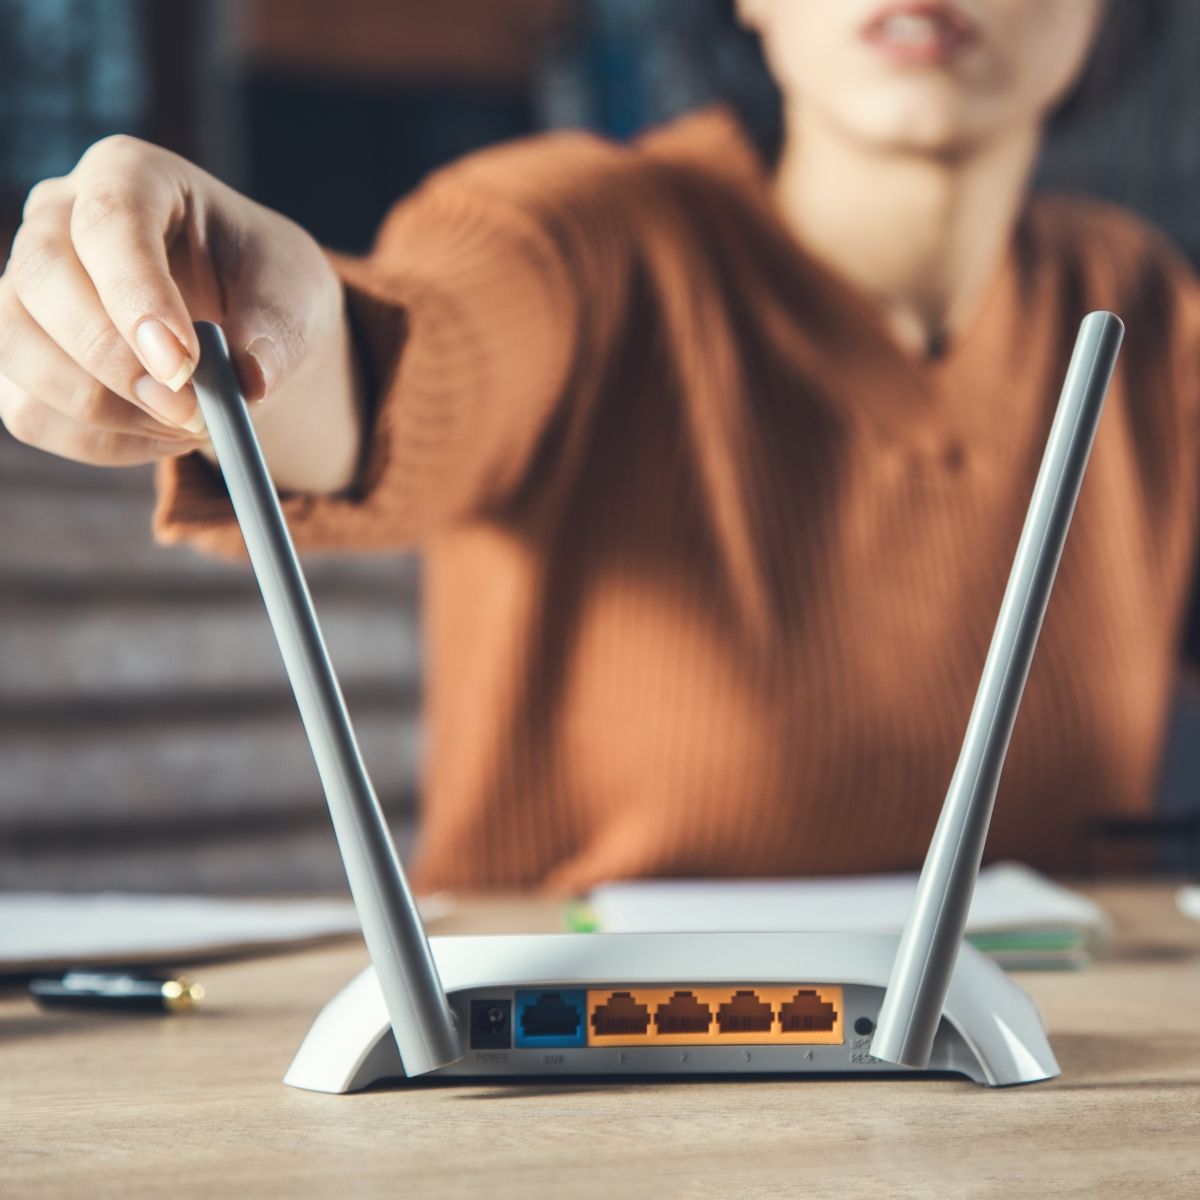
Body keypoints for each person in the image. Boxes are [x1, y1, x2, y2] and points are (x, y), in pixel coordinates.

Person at [1, 1, 1196, 893]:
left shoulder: (1141, 303)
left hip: (1049, 1095)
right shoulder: (574, 236)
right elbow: (391, 369)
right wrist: (247, 336)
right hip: (577, 1104)